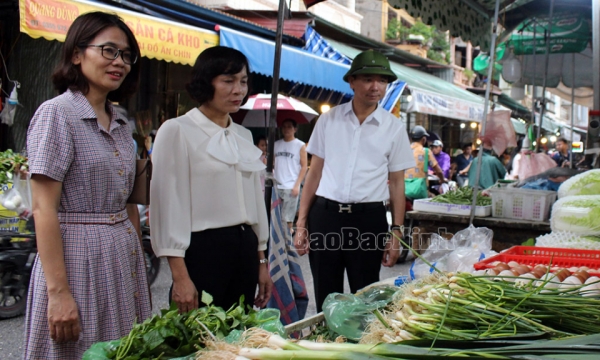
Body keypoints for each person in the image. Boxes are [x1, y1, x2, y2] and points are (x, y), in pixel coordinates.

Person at [24, 12, 151, 359]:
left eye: (126, 55)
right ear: (77, 54)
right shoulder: (57, 114)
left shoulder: (122, 123)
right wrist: (58, 293)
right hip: (77, 258)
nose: (119, 62)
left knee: (121, 350)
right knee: (76, 349)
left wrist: (136, 262)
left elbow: (129, 201)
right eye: (108, 50)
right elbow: (43, 207)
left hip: (121, 257)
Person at [150, 46, 272, 312]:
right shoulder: (177, 130)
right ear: (207, 82)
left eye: (243, 81)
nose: (238, 90)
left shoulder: (243, 135)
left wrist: (261, 261)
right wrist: (180, 277)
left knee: (238, 337)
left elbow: (255, 201)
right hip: (203, 251)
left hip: (245, 250)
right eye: (228, 81)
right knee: (200, 340)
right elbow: (168, 205)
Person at [293, 49, 415, 312]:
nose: (375, 86)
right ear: (352, 81)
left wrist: (397, 232)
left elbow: (396, 183)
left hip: (368, 219)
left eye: (382, 81)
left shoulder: (393, 128)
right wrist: (301, 222)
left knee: (367, 295)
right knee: (326, 294)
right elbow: (314, 172)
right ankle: (326, 347)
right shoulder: (328, 120)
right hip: (325, 216)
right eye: (368, 79)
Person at [274, 119, 308, 231]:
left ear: (295, 129)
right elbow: (273, 163)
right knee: (276, 218)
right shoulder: (276, 144)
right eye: (284, 126)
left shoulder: (300, 145)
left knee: (287, 219)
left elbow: (304, 166)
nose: (286, 129)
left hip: (290, 186)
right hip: (277, 186)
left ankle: (288, 244)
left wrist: (297, 185)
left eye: (289, 127)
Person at [404, 126, 445, 200]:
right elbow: (438, 170)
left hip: (404, 189)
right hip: (419, 191)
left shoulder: (405, 150)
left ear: (411, 138)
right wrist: (442, 179)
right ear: (424, 139)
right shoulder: (426, 151)